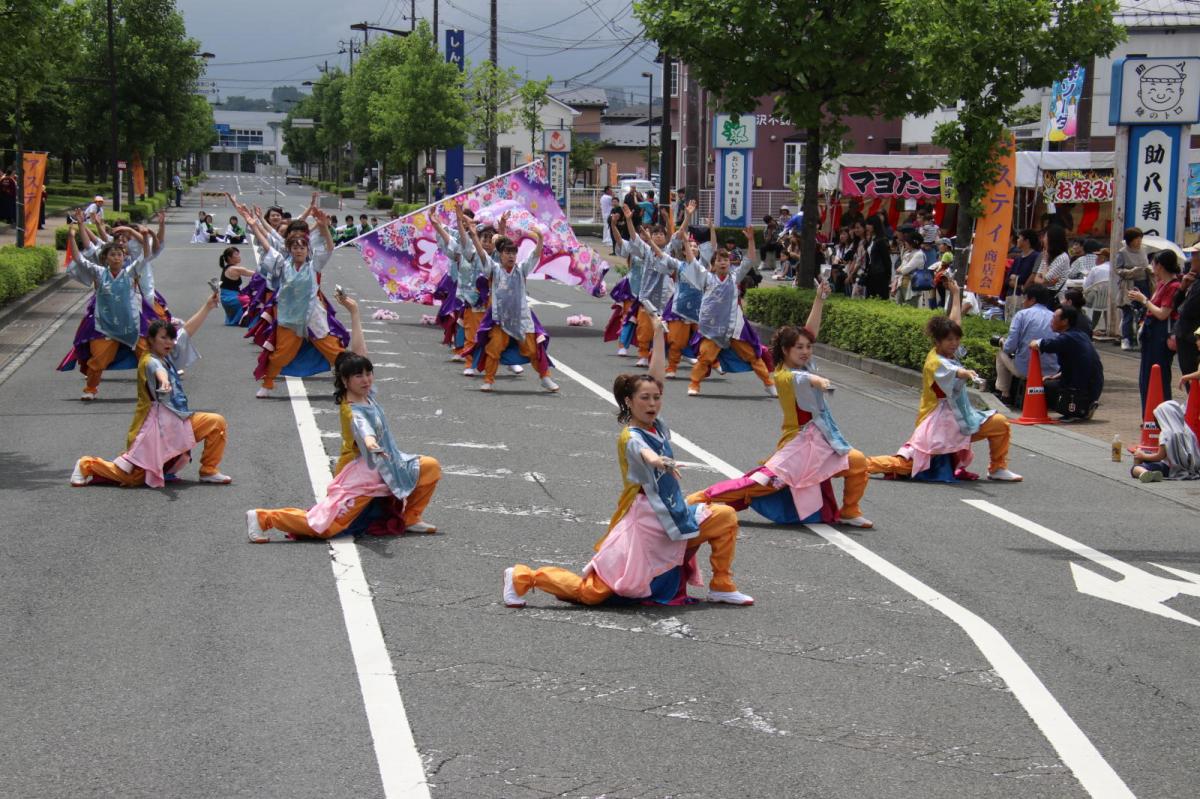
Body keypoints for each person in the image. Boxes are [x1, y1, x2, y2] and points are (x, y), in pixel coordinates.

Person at [502, 313, 753, 608]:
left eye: (656, 398)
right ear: (629, 402)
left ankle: (722, 584)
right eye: (644, 399)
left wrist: (659, 334)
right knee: (593, 593)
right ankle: (522, 577)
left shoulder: (657, 425)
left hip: (673, 514)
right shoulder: (630, 436)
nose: (652, 403)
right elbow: (642, 452)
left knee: (724, 517)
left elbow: (656, 376)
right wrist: (658, 461)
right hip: (645, 522)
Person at [248, 295, 442, 541]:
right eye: (358, 376)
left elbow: (360, 353)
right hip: (360, 473)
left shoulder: (366, 393)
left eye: (368, 374)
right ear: (344, 381)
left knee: (430, 467)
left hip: (387, 464)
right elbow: (364, 431)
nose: (366, 379)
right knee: (327, 526)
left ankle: (411, 518)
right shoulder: (352, 408)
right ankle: (264, 518)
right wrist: (372, 445)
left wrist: (355, 313)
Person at [686, 281, 873, 528]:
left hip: (821, 440)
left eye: (808, 347)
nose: (806, 351)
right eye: (799, 348)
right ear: (785, 351)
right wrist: (821, 381)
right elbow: (806, 379)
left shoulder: (801, 364)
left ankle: (850, 510)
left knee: (858, 462)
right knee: (761, 485)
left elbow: (810, 331)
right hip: (798, 445)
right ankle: (702, 498)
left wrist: (819, 299)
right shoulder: (786, 375)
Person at [867, 279, 1023, 483]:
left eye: (956, 339)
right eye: (950, 340)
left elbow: (955, 323)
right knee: (908, 465)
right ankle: (863, 464)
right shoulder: (935, 361)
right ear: (938, 341)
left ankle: (997, 467)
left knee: (1000, 424)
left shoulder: (948, 350)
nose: (955, 343)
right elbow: (953, 372)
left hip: (961, 419)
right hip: (937, 423)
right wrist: (966, 373)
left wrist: (956, 295)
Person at [70, 296, 232, 488]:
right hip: (154, 428)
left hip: (177, 421)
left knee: (216, 422)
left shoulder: (166, 353)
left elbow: (186, 331)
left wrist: (207, 306)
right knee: (132, 478)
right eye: (163, 338)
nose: (170, 342)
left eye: (171, 338)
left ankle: (208, 470)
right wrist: (164, 382)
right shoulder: (149, 360)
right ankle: (87, 465)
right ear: (151, 340)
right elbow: (159, 371)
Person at [238, 206, 349, 397]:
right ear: (289, 249)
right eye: (295, 247)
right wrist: (254, 225)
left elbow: (329, 248)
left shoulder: (314, 265)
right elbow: (267, 246)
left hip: (313, 316)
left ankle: (348, 382)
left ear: (308, 250)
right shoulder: (282, 264)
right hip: (289, 317)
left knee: (334, 350)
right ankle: (268, 383)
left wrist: (323, 227)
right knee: (281, 353)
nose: (299, 251)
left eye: (302, 247)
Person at [464, 223, 560, 393]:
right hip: (500, 320)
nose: (511, 256)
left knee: (533, 349)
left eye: (514, 253)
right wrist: (473, 236)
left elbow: (535, 256)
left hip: (522, 319)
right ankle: (488, 380)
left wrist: (540, 239)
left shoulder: (521, 270)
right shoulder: (494, 270)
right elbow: (482, 255)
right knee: (494, 348)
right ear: (500, 255)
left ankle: (545, 377)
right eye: (507, 253)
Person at [680, 226, 774, 397]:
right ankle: (694, 384)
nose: (723, 262)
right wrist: (686, 242)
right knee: (706, 357)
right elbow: (693, 262)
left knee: (752, 354)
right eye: (719, 260)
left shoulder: (734, 277)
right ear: (713, 264)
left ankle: (769, 383)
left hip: (734, 326)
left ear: (729, 263)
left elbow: (750, 259)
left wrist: (751, 240)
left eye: (726, 260)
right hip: (711, 327)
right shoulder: (707, 278)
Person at [1128, 249, 1183, 411]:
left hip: (1160, 335)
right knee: (1146, 376)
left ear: (1160, 266)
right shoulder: (1160, 284)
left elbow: (1162, 314)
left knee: (1158, 375)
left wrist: (1143, 300)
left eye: (1154, 263)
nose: (1152, 267)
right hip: (1151, 334)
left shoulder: (1173, 286)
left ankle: (1160, 414)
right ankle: (1149, 414)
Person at [1030, 305, 1103, 421]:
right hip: (1092, 385)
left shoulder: (1068, 338)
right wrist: (1057, 375)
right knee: (1050, 381)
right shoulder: (1080, 335)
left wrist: (1036, 343)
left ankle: (1075, 410)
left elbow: (1050, 345)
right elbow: (1077, 363)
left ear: (1065, 321)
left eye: (1054, 318)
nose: (1051, 321)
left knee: (1043, 387)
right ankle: (1083, 406)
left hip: (1081, 388)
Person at [994, 286, 1058, 405]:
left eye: (1025, 298)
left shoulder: (1022, 315)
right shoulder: (1055, 316)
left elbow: (1009, 347)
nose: (1023, 302)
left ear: (1032, 299)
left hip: (1026, 370)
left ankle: (1004, 394)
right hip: (1052, 371)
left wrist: (1002, 341)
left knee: (1001, 353)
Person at [1128, 399, 1200, 482]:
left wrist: (1142, 456)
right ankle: (1151, 473)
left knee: (1135, 468)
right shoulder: (1188, 432)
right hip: (1189, 468)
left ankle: (1145, 472)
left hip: (1169, 468)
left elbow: (1160, 456)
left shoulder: (1166, 433)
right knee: (1145, 455)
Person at [1116, 227, 1151, 350]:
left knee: (1144, 311)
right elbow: (1118, 270)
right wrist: (1130, 271)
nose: (1139, 241)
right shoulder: (1122, 252)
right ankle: (1126, 339)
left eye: (1140, 238)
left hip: (1143, 283)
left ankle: (1141, 337)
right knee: (1128, 312)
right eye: (1136, 239)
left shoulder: (1144, 250)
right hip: (1129, 284)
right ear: (1130, 240)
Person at [1173, 266, 1200, 381]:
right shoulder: (1194, 281)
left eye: (1194, 255)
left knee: (1193, 381)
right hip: (1187, 335)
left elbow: (1186, 310)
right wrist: (1183, 288)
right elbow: (1176, 305)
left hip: (1191, 337)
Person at [218, 247, 255, 325]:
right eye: (236, 254)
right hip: (231, 299)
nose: (239, 256)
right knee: (255, 300)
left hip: (226, 298)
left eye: (239, 254)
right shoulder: (235, 269)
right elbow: (256, 274)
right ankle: (247, 319)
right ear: (229, 257)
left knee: (249, 296)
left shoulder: (227, 268)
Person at [1035, 225, 1071, 296]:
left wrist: (1045, 262)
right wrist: (1045, 282)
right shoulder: (1047, 254)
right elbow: (1036, 279)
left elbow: (1046, 278)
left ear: (1052, 239)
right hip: (1046, 293)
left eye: (1045, 237)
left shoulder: (1062, 257)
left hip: (1057, 296)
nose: (1043, 240)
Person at [865, 216, 892, 299]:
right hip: (871, 273)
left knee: (880, 298)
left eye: (870, 224)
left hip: (880, 274)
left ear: (875, 225)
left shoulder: (882, 240)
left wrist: (888, 276)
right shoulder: (872, 239)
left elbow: (886, 260)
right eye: (867, 224)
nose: (867, 226)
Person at [600, 186, 615, 251]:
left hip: (604, 214)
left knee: (605, 227)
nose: (611, 191)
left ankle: (605, 239)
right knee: (609, 227)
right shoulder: (609, 197)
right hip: (609, 214)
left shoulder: (602, 197)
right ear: (607, 191)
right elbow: (614, 203)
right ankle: (608, 241)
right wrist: (613, 195)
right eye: (610, 190)